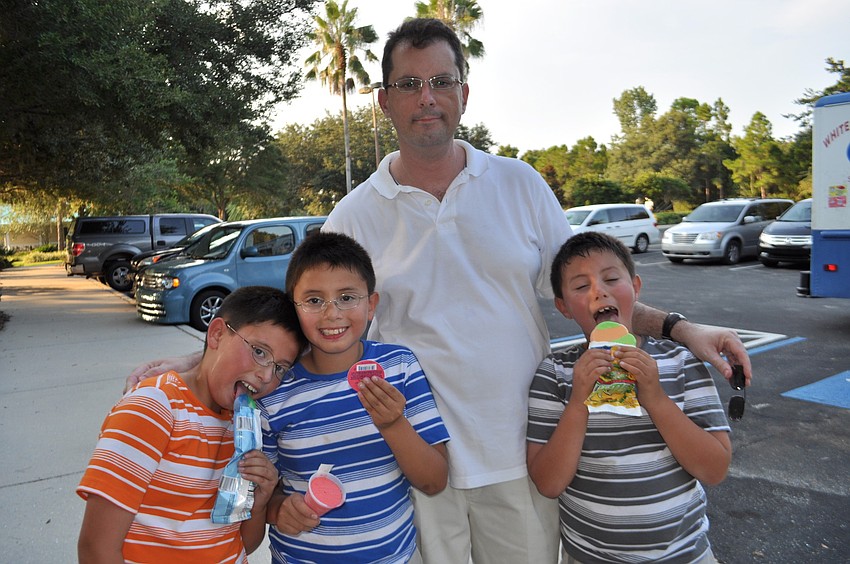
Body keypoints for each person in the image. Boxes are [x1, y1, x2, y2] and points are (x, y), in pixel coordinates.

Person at [125, 18, 751, 563]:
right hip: (411, 466)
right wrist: (198, 358)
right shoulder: (353, 215)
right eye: (409, 85)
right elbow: (301, 319)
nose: (427, 98)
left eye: (441, 82)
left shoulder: (520, 185)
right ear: (384, 102)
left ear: (464, 94)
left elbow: (594, 296)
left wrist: (685, 328)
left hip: (524, 457)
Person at [527, 232, 732, 563]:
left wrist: (655, 398)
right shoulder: (556, 374)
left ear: (635, 288)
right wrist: (579, 399)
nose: (599, 290)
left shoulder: (680, 362)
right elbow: (548, 483)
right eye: (581, 286)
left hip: (686, 554)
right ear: (563, 307)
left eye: (611, 278)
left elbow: (715, 469)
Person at [79, 286, 308, 563]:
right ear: (217, 334)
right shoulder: (152, 408)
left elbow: (243, 544)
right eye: (259, 352)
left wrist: (259, 501)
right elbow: (96, 548)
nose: (265, 375)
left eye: (279, 368)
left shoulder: (243, 429)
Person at [261, 231, 450, 563]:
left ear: (371, 304)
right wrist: (277, 509)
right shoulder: (275, 390)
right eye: (314, 300)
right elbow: (263, 489)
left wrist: (393, 423)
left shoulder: (399, 367)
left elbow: (434, 481)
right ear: (294, 306)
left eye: (347, 297)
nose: (332, 314)